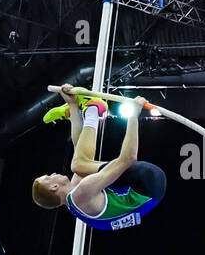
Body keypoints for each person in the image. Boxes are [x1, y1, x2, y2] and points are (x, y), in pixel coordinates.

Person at [31, 84, 166, 231]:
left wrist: (73, 105)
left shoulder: (74, 200)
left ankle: (78, 110)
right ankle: (93, 107)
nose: (54, 174)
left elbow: (80, 148)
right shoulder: (81, 194)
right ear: (54, 187)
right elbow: (128, 158)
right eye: (49, 177)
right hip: (147, 183)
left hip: (148, 192)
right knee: (77, 165)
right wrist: (134, 115)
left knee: (80, 164)